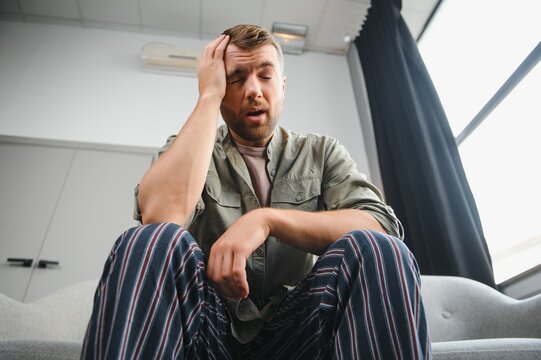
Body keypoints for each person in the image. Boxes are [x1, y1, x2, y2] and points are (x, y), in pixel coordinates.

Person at [81, 24, 431, 359]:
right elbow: (160, 219)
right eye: (236, 79)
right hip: (210, 330)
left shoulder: (322, 153)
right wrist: (208, 96)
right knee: (151, 240)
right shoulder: (189, 148)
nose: (253, 90)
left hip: (299, 330)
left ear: (282, 85)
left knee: (379, 248)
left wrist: (267, 220)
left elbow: (379, 225)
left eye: (265, 76)